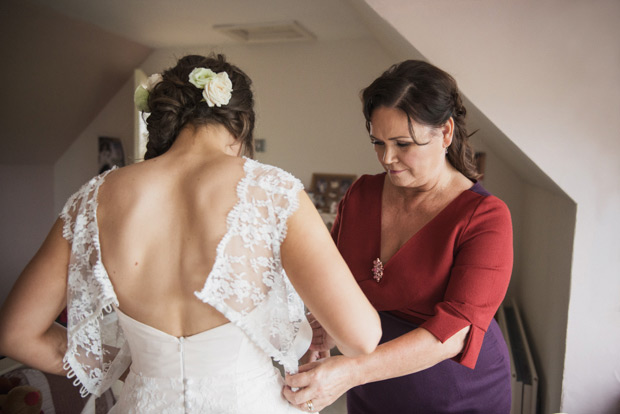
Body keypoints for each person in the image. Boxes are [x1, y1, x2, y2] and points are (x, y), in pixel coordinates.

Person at [0, 54, 381, 414]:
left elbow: (17, 334)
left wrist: (124, 367)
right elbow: (361, 337)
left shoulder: (93, 199)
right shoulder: (274, 192)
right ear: (242, 124)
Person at [283, 60, 513, 413]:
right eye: (378, 142)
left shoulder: (485, 217)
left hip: (454, 392)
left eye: (403, 144)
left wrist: (353, 372)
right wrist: (322, 330)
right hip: (372, 384)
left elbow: (455, 333)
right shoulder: (360, 194)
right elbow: (336, 280)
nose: (387, 158)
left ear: (445, 133)